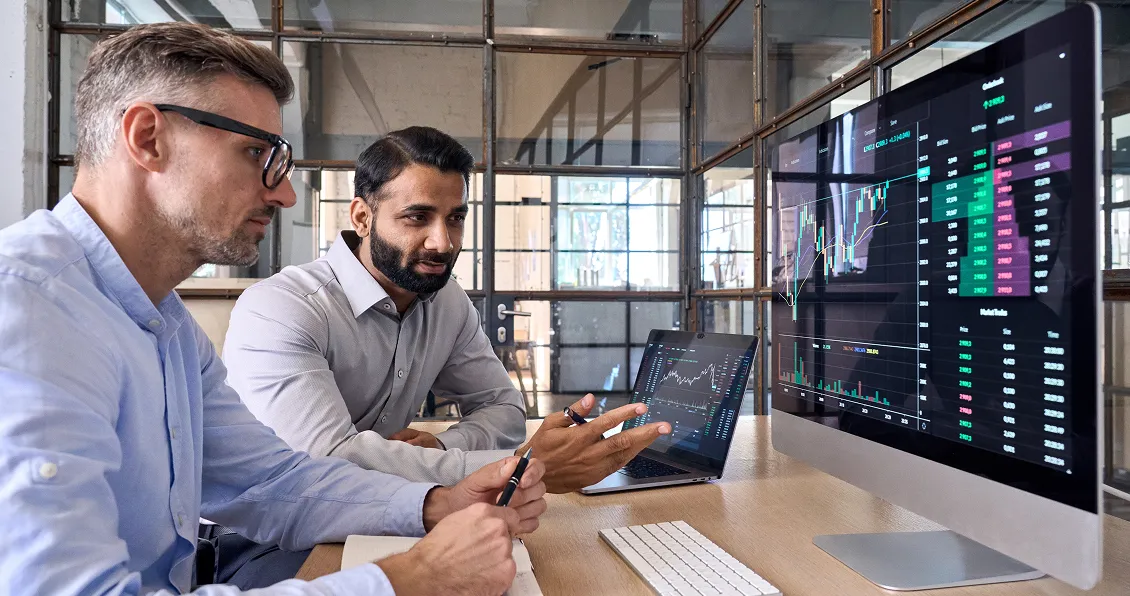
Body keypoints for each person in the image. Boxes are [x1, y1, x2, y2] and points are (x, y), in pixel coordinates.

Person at [0, 23, 547, 595]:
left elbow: (270, 480)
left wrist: (436, 502)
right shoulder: (31, 310)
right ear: (147, 138)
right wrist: (407, 580)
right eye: (255, 152)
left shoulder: (166, 325)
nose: (285, 194)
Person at [222, 127, 672, 492]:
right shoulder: (282, 310)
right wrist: (517, 466)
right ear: (361, 217)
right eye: (417, 217)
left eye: (455, 218)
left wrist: (442, 446)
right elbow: (326, 463)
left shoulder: (447, 301)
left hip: (382, 513)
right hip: (262, 534)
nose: (444, 243)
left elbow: (504, 409)